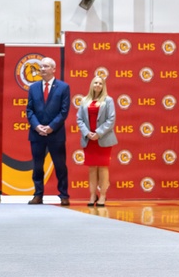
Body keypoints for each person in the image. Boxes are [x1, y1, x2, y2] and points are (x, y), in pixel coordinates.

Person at [25, 57, 71, 206]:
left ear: (53, 69)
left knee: (60, 166)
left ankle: (64, 195)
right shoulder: (33, 88)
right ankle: (38, 195)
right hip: (36, 134)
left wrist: (51, 127)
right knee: (37, 166)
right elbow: (29, 110)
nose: (42, 69)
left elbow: (64, 111)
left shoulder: (63, 87)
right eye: (41, 67)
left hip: (56, 134)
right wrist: (37, 126)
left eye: (45, 66)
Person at [75, 77, 117, 206]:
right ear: (91, 85)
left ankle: (103, 196)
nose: (98, 85)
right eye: (95, 82)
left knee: (103, 168)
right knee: (92, 168)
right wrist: (87, 133)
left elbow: (111, 119)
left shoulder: (108, 100)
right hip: (89, 140)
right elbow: (79, 119)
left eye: (100, 83)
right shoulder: (84, 101)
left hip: (103, 139)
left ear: (103, 86)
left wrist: (98, 133)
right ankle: (92, 195)